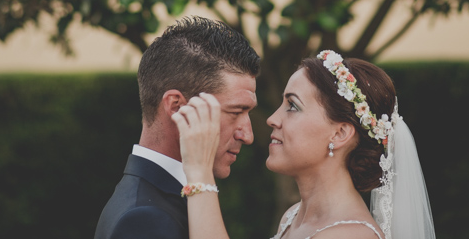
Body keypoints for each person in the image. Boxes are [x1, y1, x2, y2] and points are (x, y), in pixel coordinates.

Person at [173, 50, 435, 239]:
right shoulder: (292, 217)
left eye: (293, 106)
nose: (272, 119)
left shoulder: (351, 236)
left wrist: (199, 172)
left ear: (340, 133)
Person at [93, 16, 261, 239]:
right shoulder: (145, 219)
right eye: (235, 112)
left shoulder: (169, 199)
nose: (247, 135)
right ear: (177, 106)